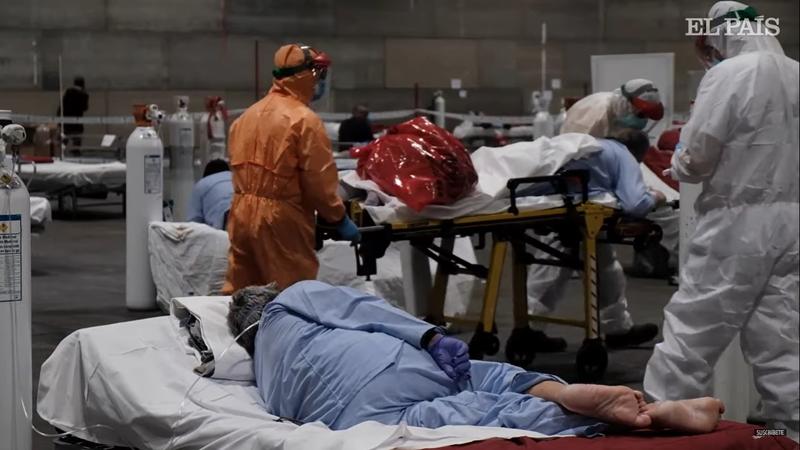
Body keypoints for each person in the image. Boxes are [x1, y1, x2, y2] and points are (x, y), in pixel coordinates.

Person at [228, 280, 725, 434]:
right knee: (490, 375)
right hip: (390, 366)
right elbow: (363, 309)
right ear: (267, 295)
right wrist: (429, 337)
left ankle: (638, 418)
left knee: (485, 414)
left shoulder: (263, 378)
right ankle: (562, 390)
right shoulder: (290, 301)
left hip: (362, 422)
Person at [645, 1, 799, 441]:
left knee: (694, 326)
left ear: (719, 35)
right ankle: (789, 433)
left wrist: (679, 163)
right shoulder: (796, 72)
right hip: (793, 222)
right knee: (782, 333)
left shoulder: (728, 74)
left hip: (737, 221)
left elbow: (697, 156)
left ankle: (663, 419)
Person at [222, 44, 360, 294]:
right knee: (290, 295)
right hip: (281, 221)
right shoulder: (304, 121)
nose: (319, 81)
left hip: (241, 215)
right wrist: (338, 217)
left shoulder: (245, 118)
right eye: (318, 73)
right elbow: (319, 182)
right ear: (304, 75)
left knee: (242, 294)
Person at [525, 130, 666, 351]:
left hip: (556, 205)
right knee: (597, 268)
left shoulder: (594, 146)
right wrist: (657, 197)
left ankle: (615, 328)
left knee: (595, 267)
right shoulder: (623, 154)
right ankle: (532, 327)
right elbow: (636, 204)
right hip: (579, 213)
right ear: (638, 154)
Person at [561, 78, 664, 136]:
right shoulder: (598, 114)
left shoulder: (617, 115)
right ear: (625, 102)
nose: (643, 120)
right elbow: (583, 148)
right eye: (640, 114)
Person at [187, 159, 234, 230]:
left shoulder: (202, 184)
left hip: (224, 223)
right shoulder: (237, 178)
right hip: (245, 215)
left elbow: (194, 221)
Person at [59, 76, 89, 147]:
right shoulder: (84, 94)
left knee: (63, 142)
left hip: (66, 122)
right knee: (76, 143)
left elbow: (61, 106)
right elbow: (85, 108)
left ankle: (61, 150)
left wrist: (59, 121)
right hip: (76, 123)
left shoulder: (68, 92)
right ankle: (75, 152)